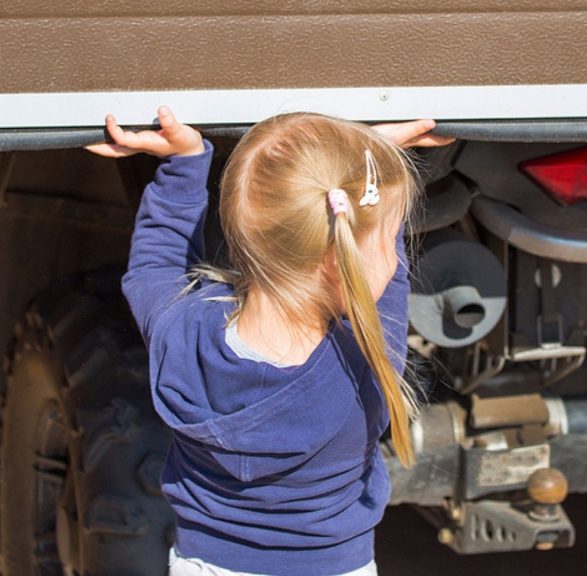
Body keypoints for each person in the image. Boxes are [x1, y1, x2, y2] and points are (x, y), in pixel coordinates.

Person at [86, 107, 453, 576]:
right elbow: (388, 285)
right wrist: (369, 156)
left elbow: (154, 267)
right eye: (387, 240)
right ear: (345, 261)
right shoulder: (364, 367)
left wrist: (185, 162)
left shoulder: (182, 333)